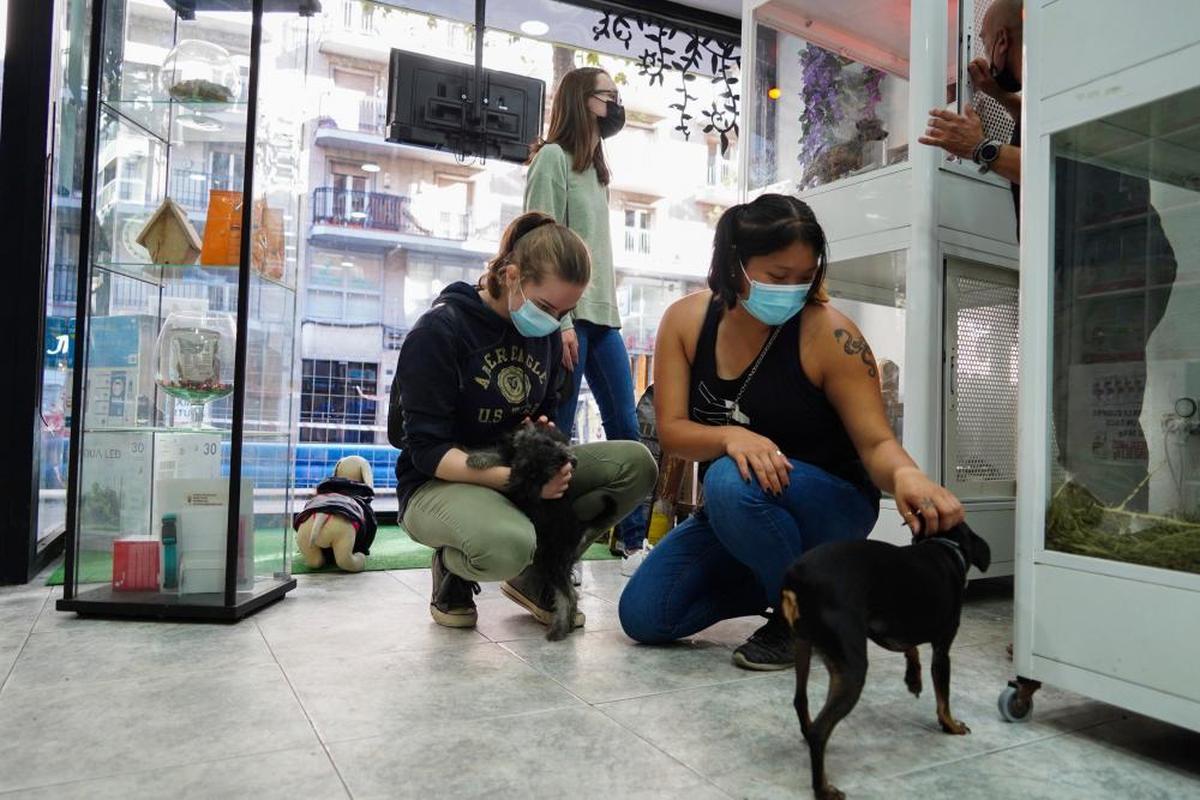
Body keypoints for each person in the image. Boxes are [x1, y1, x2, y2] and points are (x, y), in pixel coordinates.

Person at [618, 194, 965, 670]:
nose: (792, 290)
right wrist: (729, 437)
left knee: (727, 480)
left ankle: (799, 615)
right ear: (734, 264)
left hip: (828, 504)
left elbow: (877, 442)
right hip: (740, 509)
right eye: (778, 277)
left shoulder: (829, 335)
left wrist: (908, 476)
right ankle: (824, 591)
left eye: (805, 278)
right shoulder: (685, 321)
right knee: (645, 616)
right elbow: (673, 432)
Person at [918, 0, 1176, 510]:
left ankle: (1114, 538)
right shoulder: (1068, 83)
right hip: (1110, 266)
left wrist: (981, 148)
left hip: (1106, 269)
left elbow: (1061, 160)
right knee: (1093, 403)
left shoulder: (1075, 78)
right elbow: (1056, 131)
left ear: (1000, 45)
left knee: (1092, 408)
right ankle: (1112, 532)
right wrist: (1002, 97)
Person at [388, 212, 657, 630]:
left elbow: (542, 413)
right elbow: (426, 452)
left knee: (636, 464)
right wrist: (521, 480)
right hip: (439, 482)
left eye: (565, 312)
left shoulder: (546, 333)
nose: (553, 321)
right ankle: (454, 566)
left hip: (513, 470)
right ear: (511, 275)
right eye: (547, 307)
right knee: (506, 544)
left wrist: (546, 445)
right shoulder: (440, 331)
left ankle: (538, 572)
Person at [524, 67, 650, 575]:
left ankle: (633, 543)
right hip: (568, 321)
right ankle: (551, 545)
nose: (616, 105)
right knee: (558, 432)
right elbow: (537, 245)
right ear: (582, 100)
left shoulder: (596, 173)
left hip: (605, 320)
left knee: (627, 428)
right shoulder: (551, 160)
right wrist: (561, 321)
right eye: (609, 96)